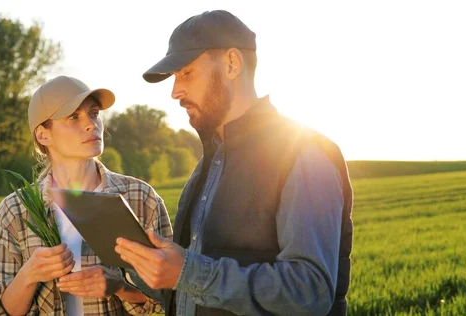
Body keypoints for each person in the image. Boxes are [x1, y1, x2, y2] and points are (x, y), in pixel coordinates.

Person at [114, 10, 353, 316]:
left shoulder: (303, 154)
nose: (175, 92)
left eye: (186, 73)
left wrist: (189, 272)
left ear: (231, 64)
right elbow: (189, 285)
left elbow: (308, 292)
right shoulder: (208, 165)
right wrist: (127, 278)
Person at [0, 75, 173, 316]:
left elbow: (172, 296)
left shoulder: (141, 198)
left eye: (94, 113)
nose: (91, 124)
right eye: (73, 117)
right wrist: (29, 275)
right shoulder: (14, 211)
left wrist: (120, 287)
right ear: (43, 135)